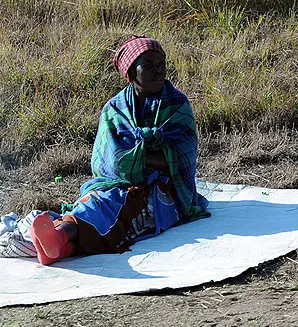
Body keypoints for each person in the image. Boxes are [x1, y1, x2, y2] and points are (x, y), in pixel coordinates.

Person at [29, 36, 210, 266]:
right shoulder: (115, 109)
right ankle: (58, 240)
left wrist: (136, 160)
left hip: (164, 185)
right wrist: (141, 159)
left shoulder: (177, 105)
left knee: (125, 208)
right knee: (94, 201)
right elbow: (112, 163)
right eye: (149, 66)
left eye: (161, 64)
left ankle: (61, 242)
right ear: (132, 72)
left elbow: (180, 159)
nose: (158, 71)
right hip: (114, 180)